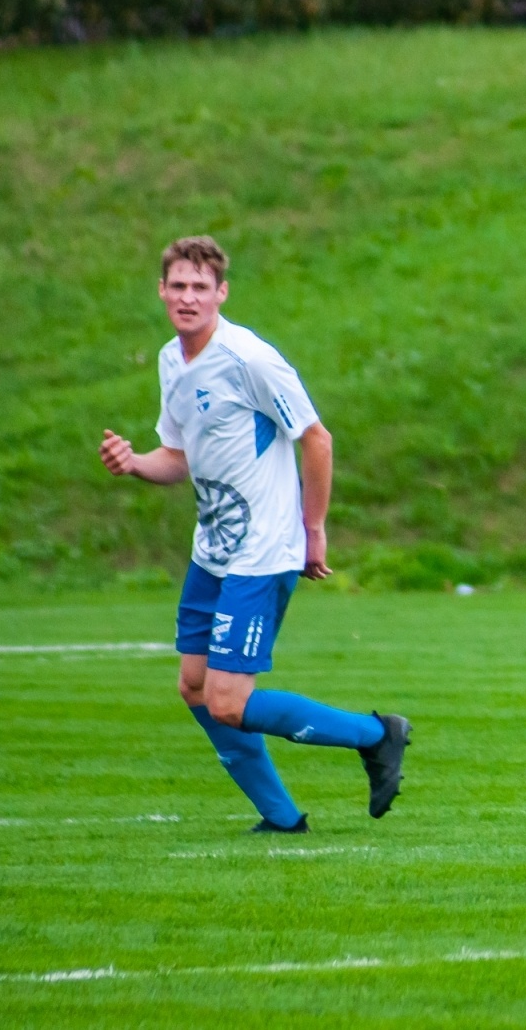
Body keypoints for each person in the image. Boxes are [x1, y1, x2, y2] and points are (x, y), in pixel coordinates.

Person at [99, 236, 410, 833]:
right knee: (194, 686)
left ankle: (376, 735)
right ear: (162, 291)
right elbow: (177, 455)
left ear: (222, 293)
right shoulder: (173, 360)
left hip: (262, 550)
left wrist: (312, 527)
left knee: (227, 702)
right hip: (212, 550)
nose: (188, 297)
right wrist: (135, 462)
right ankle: (282, 819)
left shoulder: (250, 359)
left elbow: (316, 438)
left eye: (200, 287)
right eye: (178, 286)